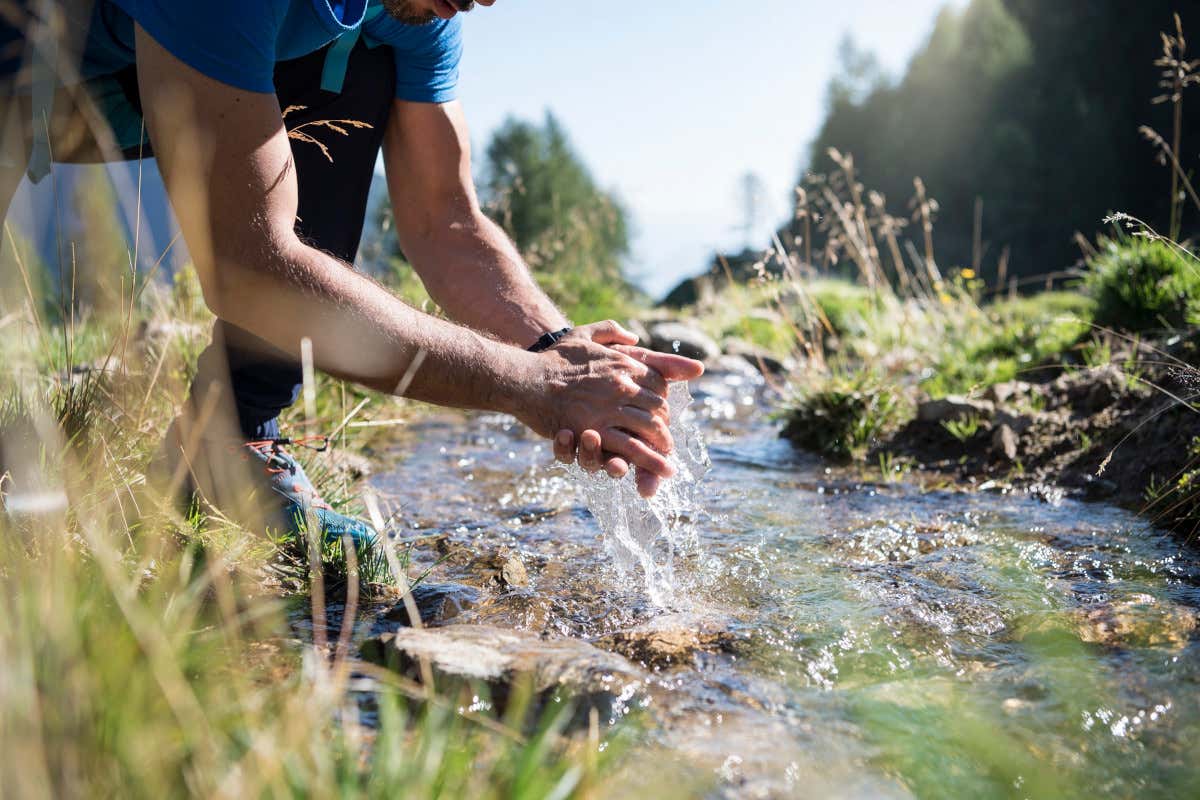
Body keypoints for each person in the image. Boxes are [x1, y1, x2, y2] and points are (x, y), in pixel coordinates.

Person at [0, 0, 703, 544]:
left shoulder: (414, 7)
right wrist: (534, 387)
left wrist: (561, 352)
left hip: (136, 60)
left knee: (364, 57)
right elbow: (254, 269)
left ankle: (227, 446)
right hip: (29, 58)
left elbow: (445, 222)